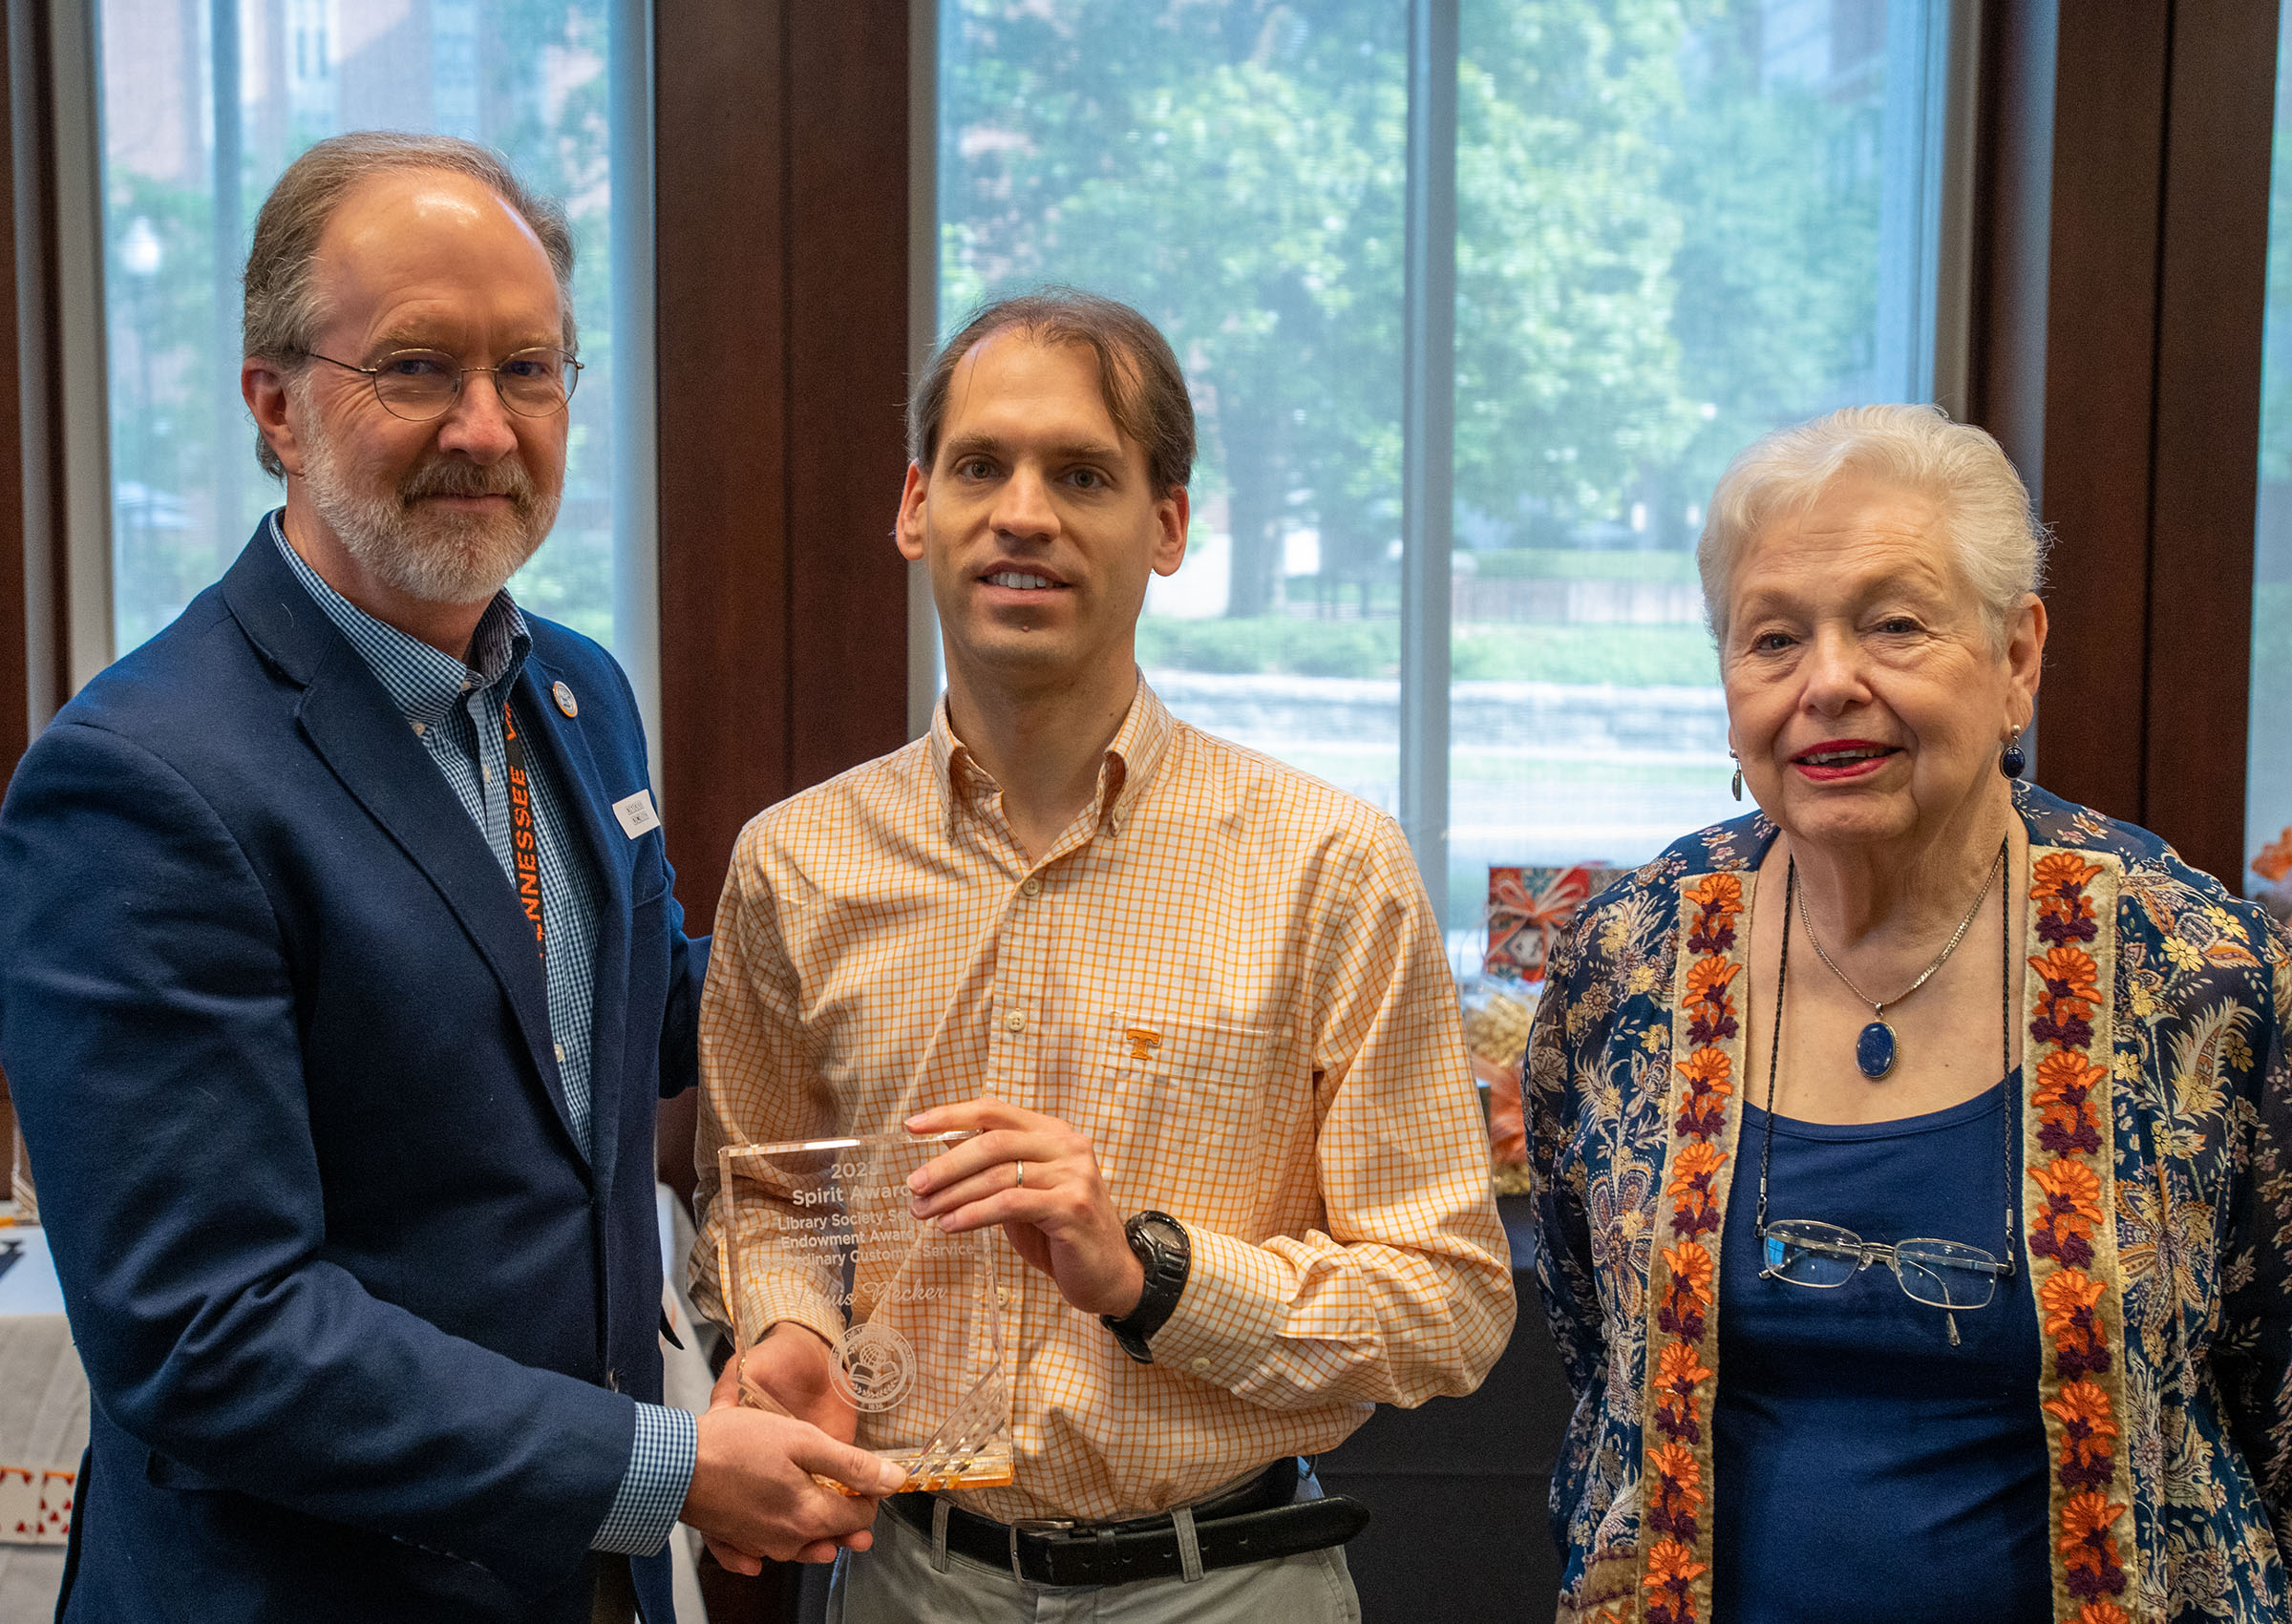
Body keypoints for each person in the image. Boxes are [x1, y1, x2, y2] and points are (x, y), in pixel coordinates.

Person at [0, 133, 901, 1624]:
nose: (486, 427)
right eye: (417, 367)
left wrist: (926, 911)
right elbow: (211, 1331)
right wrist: (667, 1465)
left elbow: (642, 1015)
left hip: (581, 1582)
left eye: (531, 370)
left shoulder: (576, 693)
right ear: (274, 405)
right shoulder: (142, 784)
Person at [688, 288, 1516, 1621]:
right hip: (908, 1576)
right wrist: (787, 1328)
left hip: (1230, 1581)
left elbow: (1452, 1300)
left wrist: (1148, 1273)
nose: (1024, 511)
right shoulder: (796, 862)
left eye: (1082, 473)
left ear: (1169, 526)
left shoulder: (1327, 865)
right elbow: (768, 1200)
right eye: (980, 467)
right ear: (916, 509)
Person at [1524, 403, 2292, 1624]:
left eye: (1894, 623)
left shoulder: (2196, 969)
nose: (1830, 682)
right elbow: (1593, 1345)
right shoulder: (1629, 962)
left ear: (2018, 658)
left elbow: (2276, 1388)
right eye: (1774, 639)